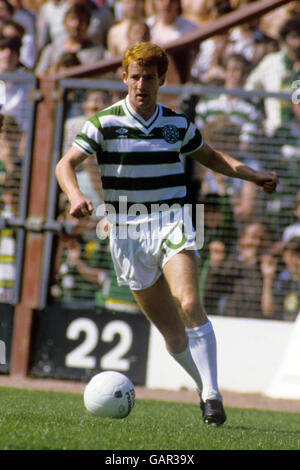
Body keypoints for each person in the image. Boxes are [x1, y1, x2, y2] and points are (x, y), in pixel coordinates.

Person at [55, 41, 278, 426]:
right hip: (126, 231)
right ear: (124, 78)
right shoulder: (104, 123)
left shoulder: (176, 125)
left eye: (150, 78)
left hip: (171, 219)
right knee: (173, 335)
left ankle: (213, 394)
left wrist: (254, 175)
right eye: (135, 77)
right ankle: (201, 386)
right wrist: (75, 194)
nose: (142, 84)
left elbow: (212, 157)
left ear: (162, 80)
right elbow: (66, 163)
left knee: (189, 301)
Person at [245, 15, 300, 136]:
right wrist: (261, 117)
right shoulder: (271, 62)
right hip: (273, 138)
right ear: (285, 39)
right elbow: (249, 90)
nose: (298, 43)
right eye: (294, 37)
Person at [35, 4, 105, 76]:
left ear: (88, 24)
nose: (76, 24)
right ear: (65, 22)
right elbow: (40, 75)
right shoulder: (52, 49)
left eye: (81, 20)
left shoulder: (96, 51)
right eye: (73, 19)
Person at [261, 237, 300, 321]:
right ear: (284, 257)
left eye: (298, 256)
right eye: (292, 255)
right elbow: (268, 310)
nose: (295, 260)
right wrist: (268, 277)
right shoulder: (283, 279)